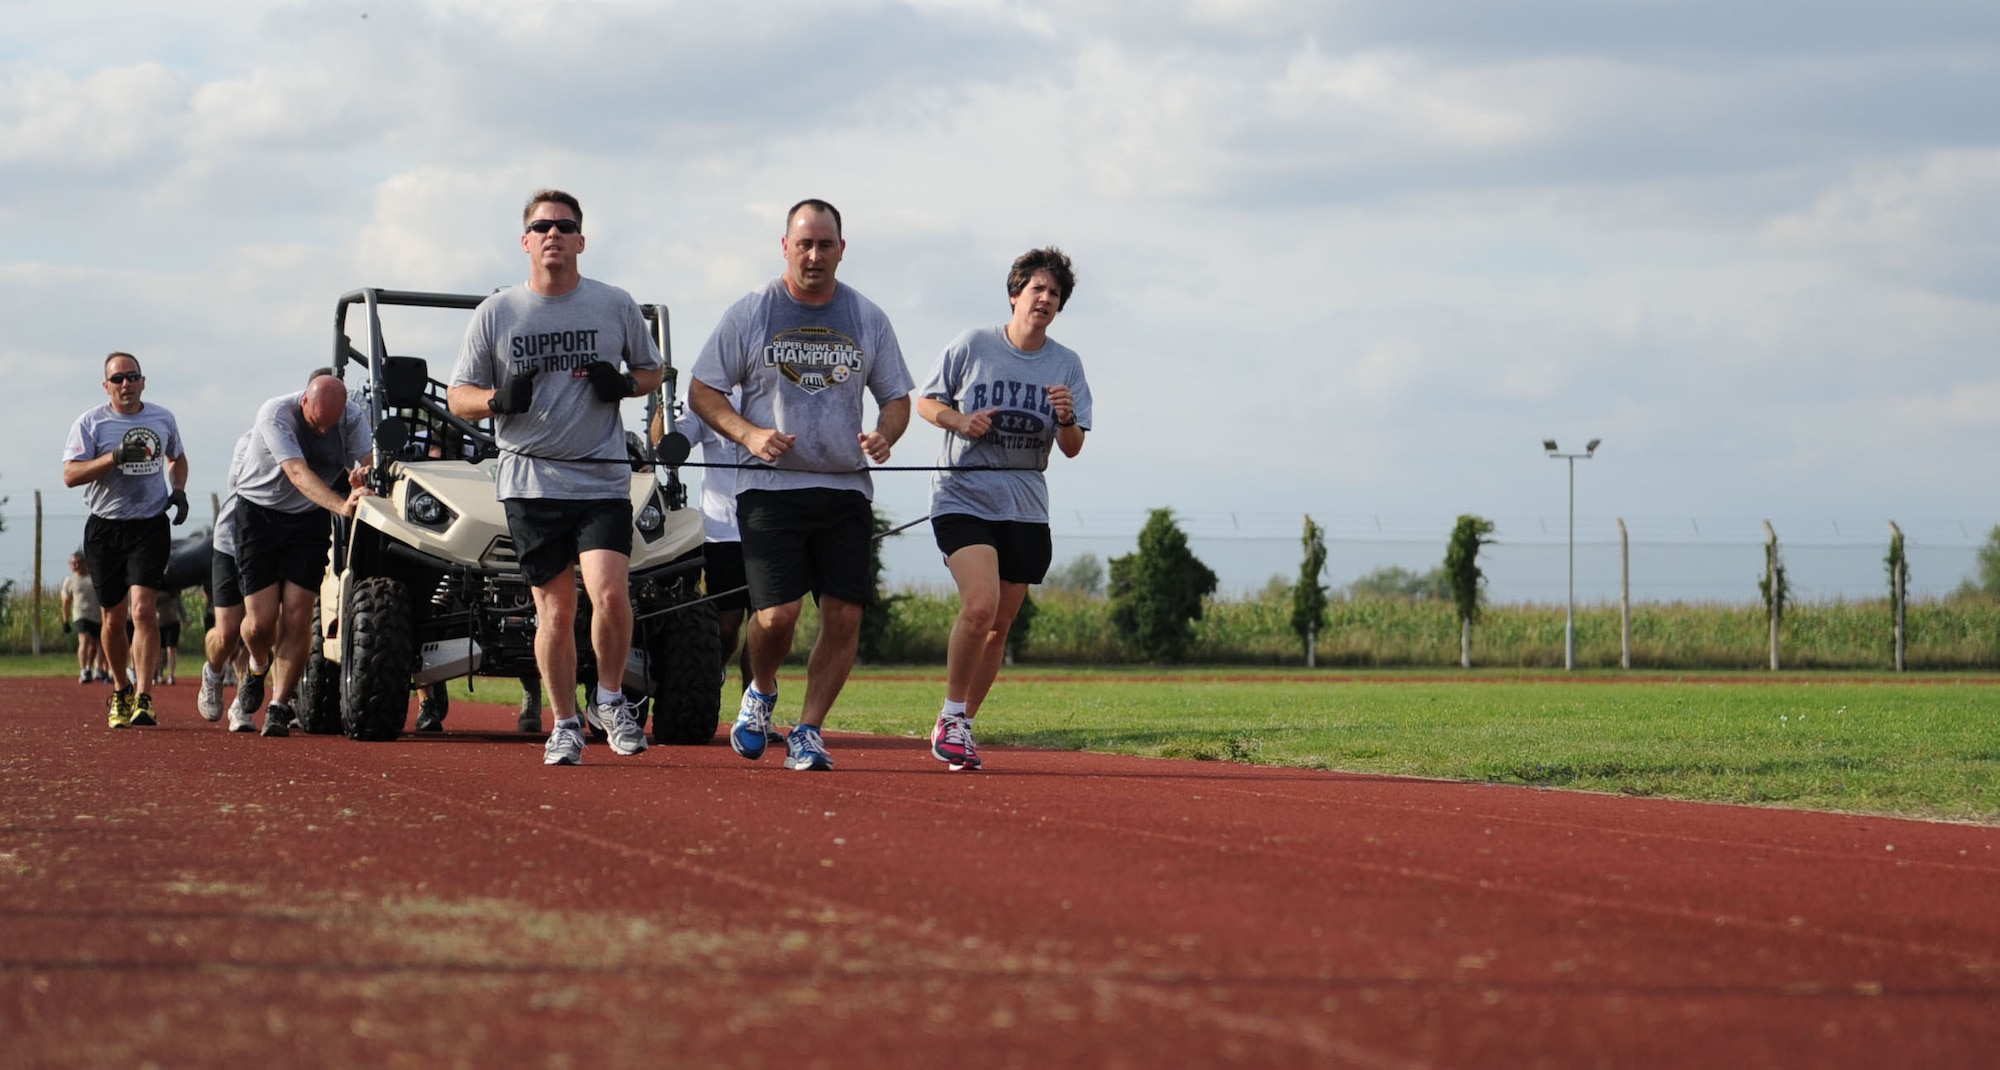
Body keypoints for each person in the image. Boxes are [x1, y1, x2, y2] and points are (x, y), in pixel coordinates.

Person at [688, 198, 914, 772]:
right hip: (770, 490)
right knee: (776, 615)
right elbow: (703, 391)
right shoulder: (752, 312)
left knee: (843, 616)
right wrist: (749, 435)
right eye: (804, 244)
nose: (814, 255)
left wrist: (886, 434)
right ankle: (761, 689)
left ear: (842, 248)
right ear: (785, 246)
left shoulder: (867, 317)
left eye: (826, 244)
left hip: (844, 490)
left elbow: (896, 397)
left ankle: (809, 730)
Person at [447, 188, 665, 766]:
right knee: (556, 611)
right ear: (526, 241)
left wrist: (623, 384)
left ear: (581, 241)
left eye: (564, 227)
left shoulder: (615, 304)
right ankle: (564, 722)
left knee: (612, 595)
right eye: (542, 226)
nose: (553, 235)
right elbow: (458, 396)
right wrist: (498, 399)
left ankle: (611, 701)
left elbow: (652, 369)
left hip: (600, 477)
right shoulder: (497, 313)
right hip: (531, 481)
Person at [915, 248, 1092, 771]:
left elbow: (1074, 446)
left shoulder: (1066, 364)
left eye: (1055, 294)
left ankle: (963, 724)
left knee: (1000, 624)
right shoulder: (973, 345)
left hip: (1025, 504)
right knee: (980, 605)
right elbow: (926, 401)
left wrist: (1065, 419)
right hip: (963, 495)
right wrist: (959, 421)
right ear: (1015, 294)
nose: (1045, 299)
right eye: (1037, 289)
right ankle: (950, 715)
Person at [234, 375, 374, 737]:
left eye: (333, 423)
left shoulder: (352, 418)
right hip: (260, 514)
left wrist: (364, 476)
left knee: (298, 613)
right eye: (318, 423)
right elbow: (297, 473)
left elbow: (371, 459)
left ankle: (279, 706)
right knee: (261, 621)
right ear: (304, 404)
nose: (325, 430)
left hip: (308, 519)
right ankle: (257, 663)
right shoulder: (275, 414)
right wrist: (342, 505)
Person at [61, 352, 191, 728]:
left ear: (143, 381)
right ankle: (121, 690)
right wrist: (113, 457)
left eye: (132, 377)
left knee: (143, 610)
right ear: (107, 386)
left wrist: (178, 489)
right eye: (117, 379)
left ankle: (145, 696)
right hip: (104, 528)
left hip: (149, 525)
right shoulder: (91, 423)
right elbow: (70, 474)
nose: (125, 384)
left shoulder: (162, 418)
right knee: (113, 618)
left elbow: (177, 457)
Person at [664, 390, 754, 698]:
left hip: (771, 530)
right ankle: (710, 674)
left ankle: (755, 709)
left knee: (768, 623)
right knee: (726, 625)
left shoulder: (777, 387)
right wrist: (663, 406)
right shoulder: (706, 394)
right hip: (723, 532)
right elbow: (667, 445)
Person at [200, 430, 257, 729]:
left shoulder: (318, 443)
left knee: (261, 627)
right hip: (231, 544)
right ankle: (212, 671)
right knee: (228, 634)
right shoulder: (250, 441)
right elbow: (238, 487)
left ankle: (241, 705)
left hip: (271, 547)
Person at [60, 551, 107, 685]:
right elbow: (66, 602)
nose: (75, 566)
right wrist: (65, 620)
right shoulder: (69, 581)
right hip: (81, 614)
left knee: (96, 643)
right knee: (84, 640)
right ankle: (83, 670)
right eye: (72, 563)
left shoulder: (92, 578)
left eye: (78, 563)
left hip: (96, 615)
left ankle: (93, 668)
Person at [154, 588, 182, 685]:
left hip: (172, 622)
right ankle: (158, 673)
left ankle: (171, 674)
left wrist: (184, 616)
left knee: (171, 648)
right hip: (158, 623)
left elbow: (179, 602)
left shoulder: (174, 587)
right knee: (159, 650)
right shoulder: (155, 588)